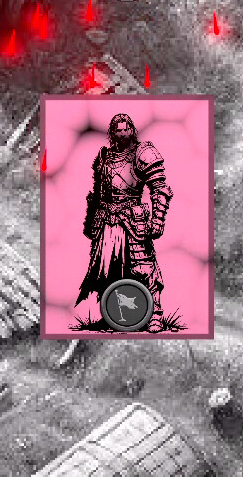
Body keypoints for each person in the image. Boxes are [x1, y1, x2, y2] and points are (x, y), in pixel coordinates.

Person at [79, 113, 172, 329]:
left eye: (125, 129)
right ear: (112, 132)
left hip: (132, 218)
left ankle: (155, 314)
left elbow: (160, 189)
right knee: (106, 269)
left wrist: (158, 220)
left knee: (143, 266)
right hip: (106, 219)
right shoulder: (104, 157)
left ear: (132, 130)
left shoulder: (144, 153)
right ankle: (113, 314)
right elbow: (97, 193)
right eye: (117, 130)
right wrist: (91, 221)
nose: (122, 133)